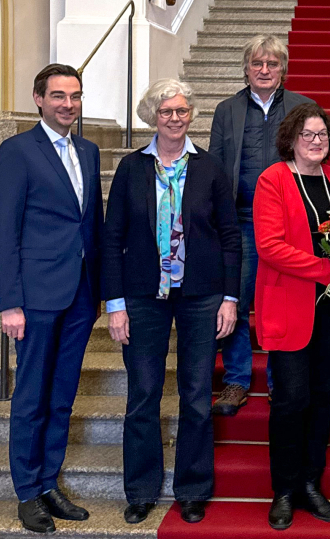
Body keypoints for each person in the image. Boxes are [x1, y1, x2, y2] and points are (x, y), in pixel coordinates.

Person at [102, 78, 241, 526]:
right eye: (166, 112)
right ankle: (141, 489)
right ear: (152, 117)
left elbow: (231, 238)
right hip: (142, 296)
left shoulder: (210, 167)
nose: (175, 118)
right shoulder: (130, 168)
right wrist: (115, 304)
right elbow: (112, 239)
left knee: (197, 395)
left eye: (182, 111)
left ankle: (193, 489)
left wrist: (230, 298)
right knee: (143, 395)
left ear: (191, 115)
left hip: (202, 295)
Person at [0, 63, 102, 534]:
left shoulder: (89, 150)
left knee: (61, 395)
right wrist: (9, 302)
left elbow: (89, 223)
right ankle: (27, 491)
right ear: (39, 99)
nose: (68, 105)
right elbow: (5, 231)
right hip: (35, 296)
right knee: (32, 396)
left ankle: (49, 481)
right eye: (58, 96)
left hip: (80, 292)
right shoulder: (17, 151)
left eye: (74, 96)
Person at [254, 102, 330, 530]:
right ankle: (284, 490)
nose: (316, 141)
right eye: (308, 135)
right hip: (289, 308)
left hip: (329, 313)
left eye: (322, 135)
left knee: (321, 400)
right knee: (290, 401)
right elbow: (270, 246)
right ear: (291, 138)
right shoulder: (273, 179)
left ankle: (310, 483)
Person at [208, 35, 314, 415]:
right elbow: (217, 167)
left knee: (280, 304)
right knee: (234, 298)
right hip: (240, 221)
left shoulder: (303, 108)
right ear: (246, 68)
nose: (265, 70)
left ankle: (277, 379)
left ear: (283, 68)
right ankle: (236, 379)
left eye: (272, 64)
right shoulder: (226, 110)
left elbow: (316, 159)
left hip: (289, 225)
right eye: (257, 63)